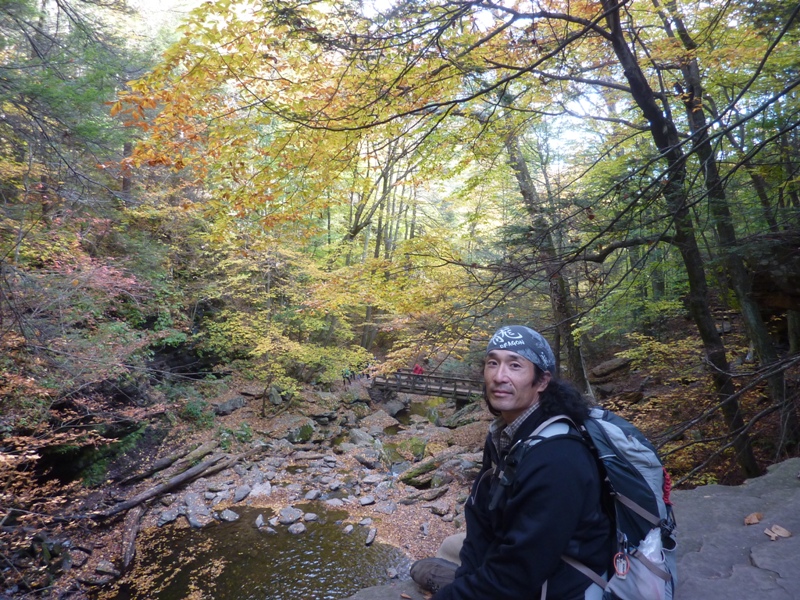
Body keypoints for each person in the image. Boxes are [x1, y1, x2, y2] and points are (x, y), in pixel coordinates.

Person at [411, 325, 613, 600]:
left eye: (515, 365)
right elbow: (480, 519)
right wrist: (466, 577)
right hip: (518, 550)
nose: (498, 376)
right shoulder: (505, 435)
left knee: (429, 570)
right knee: (448, 549)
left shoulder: (558, 459)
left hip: (563, 580)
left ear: (542, 382)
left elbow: (517, 575)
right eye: (492, 363)